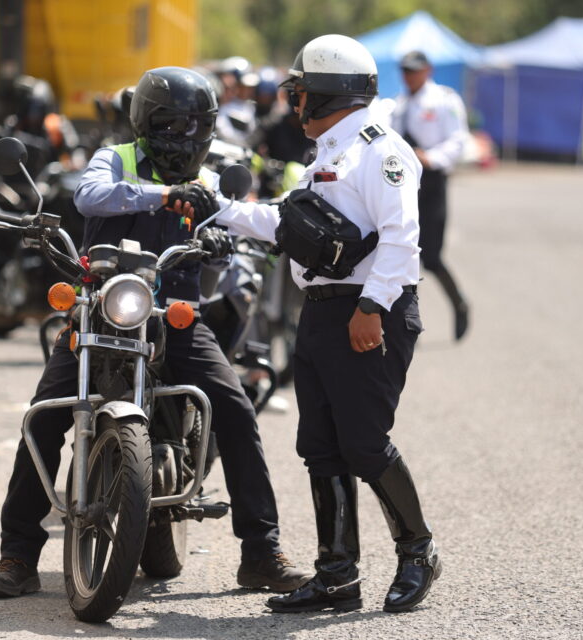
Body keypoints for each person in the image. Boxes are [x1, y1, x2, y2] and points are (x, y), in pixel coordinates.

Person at [0, 66, 311, 599]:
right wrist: (160, 196)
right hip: (99, 309)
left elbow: (220, 266)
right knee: (42, 419)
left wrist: (221, 242)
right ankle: (16, 553)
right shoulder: (115, 158)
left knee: (235, 407)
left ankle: (261, 552)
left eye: (196, 126)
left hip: (176, 315)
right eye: (173, 125)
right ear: (145, 123)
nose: (186, 137)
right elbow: (90, 198)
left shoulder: (208, 183)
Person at [214, 34, 441, 613]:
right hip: (320, 313)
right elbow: (290, 225)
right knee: (320, 448)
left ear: (328, 94)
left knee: (365, 445)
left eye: (301, 93)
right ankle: (337, 574)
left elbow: (400, 237)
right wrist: (220, 209)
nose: (293, 106)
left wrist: (372, 308)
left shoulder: (380, 152)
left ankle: (418, 552)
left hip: (366, 312)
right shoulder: (329, 154)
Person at [392, 50, 471, 340]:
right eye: (405, 70)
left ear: (427, 70)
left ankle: (459, 303)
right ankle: (406, 320)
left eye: (414, 70)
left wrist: (431, 157)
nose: (409, 76)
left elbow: (458, 139)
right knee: (401, 251)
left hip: (432, 179)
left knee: (432, 257)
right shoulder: (398, 105)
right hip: (404, 182)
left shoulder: (443, 100)